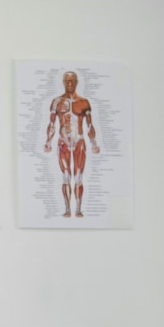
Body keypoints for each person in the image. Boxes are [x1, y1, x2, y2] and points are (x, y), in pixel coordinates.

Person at [44, 71, 100, 218]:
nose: (70, 84)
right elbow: (51, 124)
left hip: (79, 142)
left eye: (72, 81)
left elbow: (89, 126)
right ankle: (68, 209)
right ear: (63, 82)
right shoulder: (56, 102)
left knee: (79, 176)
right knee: (66, 176)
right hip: (63, 142)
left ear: (77, 82)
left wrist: (94, 144)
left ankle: (79, 209)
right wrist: (48, 142)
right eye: (67, 81)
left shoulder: (84, 102)